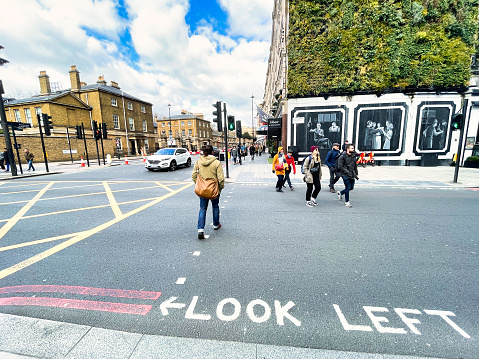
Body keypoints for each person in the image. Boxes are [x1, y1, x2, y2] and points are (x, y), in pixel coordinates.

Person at [192, 145, 225, 240]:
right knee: (215, 206)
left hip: (202, 189)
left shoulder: (198, 162)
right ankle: (215, 224)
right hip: (214, 189)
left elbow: (194, 175)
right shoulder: (217, 163)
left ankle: (200, 230)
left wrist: (199, 185)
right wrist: (220, 188)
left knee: (202, 208)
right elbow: (221, 178)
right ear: (212, 152)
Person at [337, 144, 359, 208]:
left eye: (353, 148)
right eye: (352, 148)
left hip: (352, 174)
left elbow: (355, 165)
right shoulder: (342, 156)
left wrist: (356, 173)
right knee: (348, 187)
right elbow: (340, 166)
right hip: (345, 174)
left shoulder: (353, 156)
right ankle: (347, 202)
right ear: (347, 149)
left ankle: (341, 193)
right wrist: (347, 171)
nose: (353, 149)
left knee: (351, 187)